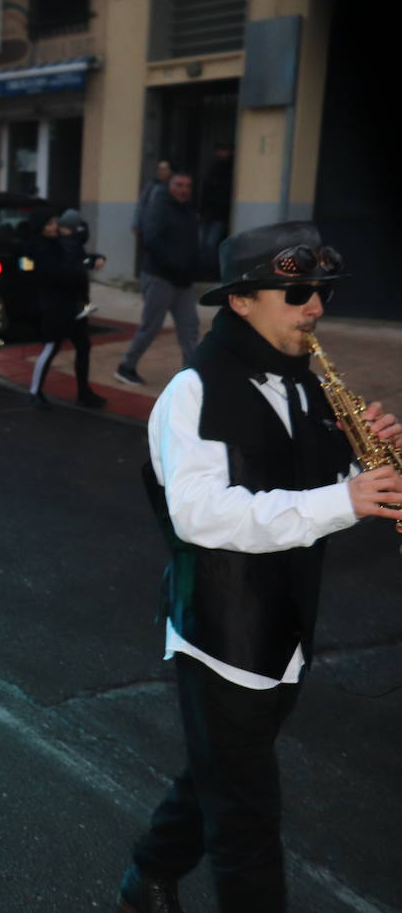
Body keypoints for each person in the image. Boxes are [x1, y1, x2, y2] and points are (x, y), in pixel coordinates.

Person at [117, 222, 402, 913]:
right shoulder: (191, 391)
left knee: (219, 773)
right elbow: (201, 515)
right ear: (241, 300)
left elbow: (291, 482)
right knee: (246, 821)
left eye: (321, 293)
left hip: (287, 626)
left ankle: (148, 873)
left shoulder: (305, 385)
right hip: (221, 634)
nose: (316, 308)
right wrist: (345, 498)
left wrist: (356, 457)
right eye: (298, 292)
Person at [116, 171, 200, 386]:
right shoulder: (159, 207)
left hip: (183, 280)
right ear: (169, 186)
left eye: (187, 186)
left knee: (190, 327)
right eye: (179, 185)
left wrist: (194, 266)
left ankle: (191, 374)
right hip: (160, 277)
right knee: (151, 326)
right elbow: (151, 241)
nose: (183, 190)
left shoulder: (189, 210)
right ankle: (126, 367)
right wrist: (175, 265)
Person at [26, 208, 106, 409]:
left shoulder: (60, 243)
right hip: (55, 308)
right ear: (41, 228)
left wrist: (92, 259)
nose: (56, 227)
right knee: (51, 348)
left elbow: (78, 258)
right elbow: (60, 274)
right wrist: (81, 267)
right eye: (51, 224)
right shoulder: (42, 249)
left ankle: (84, 392)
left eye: (56, 222)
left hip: (74, 307)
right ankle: (34, 392)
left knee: (83, 347)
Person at [199, 144, 234, 279]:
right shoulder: (213, 169)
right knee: (206, 244)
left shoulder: (228, 170)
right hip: (210, 214)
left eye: (224, 150)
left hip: (219, 214)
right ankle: (207, 271)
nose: (222, 153)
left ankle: (212, 273)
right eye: (220, 150)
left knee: (211, 244)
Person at [132, 159, 173, 237]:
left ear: (170, 171)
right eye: (159, 169)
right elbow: (141, 204)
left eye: (164, 169)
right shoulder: (152, 185)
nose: (161, 172)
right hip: (151, 227)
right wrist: (136, 224)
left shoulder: (174, 187)